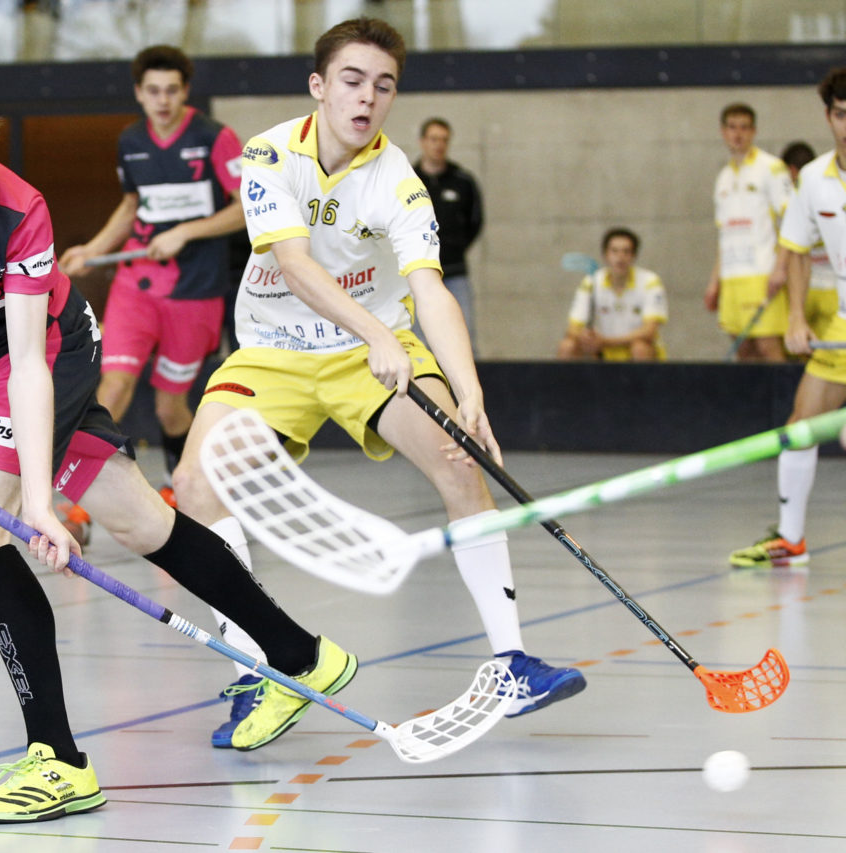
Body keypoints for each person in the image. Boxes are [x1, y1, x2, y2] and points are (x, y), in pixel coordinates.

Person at [0, 69, 355, 825]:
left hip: (49, 351)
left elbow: (30, 362)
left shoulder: (20, 211)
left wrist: (38, 505)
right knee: (139, 520)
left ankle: (58, 760)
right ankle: (299, 653)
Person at [172, 17, 586, 750]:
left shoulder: (400, 179)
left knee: (461, 463)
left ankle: (513, 664)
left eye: (384, 85)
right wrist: (375, 334)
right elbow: (295, 264)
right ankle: (259, 668)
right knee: (195, 487)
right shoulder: (268, 154)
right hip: (273, 351)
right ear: (319, 86)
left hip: (372, 351)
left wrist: (469, 390)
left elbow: (430, 289)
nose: (367, 97)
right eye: (353, 80)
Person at [58, 45, 245, 536]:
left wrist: (187, 231)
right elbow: (131, 206)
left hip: (195, 293)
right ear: (139, 93)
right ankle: (79, 509)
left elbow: (248, 207)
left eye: (172, 91)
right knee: (113, 388)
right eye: (153, 91)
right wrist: (93, 249)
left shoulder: (215, 138)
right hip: (137, 286)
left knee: (169, 406)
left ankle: (179, 485)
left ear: (185, 92)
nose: (163, 101)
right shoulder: (131, 141)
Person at [729, 69, 846, 568]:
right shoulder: (814, 179)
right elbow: (796, 248)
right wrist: (797, 318)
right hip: (843, 321)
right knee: (802, 426)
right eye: (840, 115)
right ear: (828, 116)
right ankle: (791, 540)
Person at [704, 103, 795, 362]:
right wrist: (715, 281)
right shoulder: (723, 177)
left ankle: (785, 392)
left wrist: (781, 268)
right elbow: (724, 235)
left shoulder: (771, 167)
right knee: (744, 352)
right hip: (732, 278)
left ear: (753, 131)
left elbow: (792, 220)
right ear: (723, 131)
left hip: (762, 273)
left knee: (768, 347)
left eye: (744, 128)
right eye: (732, 127)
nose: (738, 134)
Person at [412, 118, 482, 350]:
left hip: (454, 272)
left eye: (444, 140)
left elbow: (475, 222)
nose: (438, 145)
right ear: (423, 142)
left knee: (464, 337)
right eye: (434, 139)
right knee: (418, 340)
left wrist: (453, 248)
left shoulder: (463, 181)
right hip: (418, 272)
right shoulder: (409, 180)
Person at [556, 227, 667, 361]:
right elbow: (573, 328)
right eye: (614, 251)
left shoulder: (650, 281)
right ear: (605, 255)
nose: (620, 257)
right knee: (567, 346)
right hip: (601, 350)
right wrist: (586, 338)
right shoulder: (591, 281)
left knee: (640, 348)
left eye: (626, 252)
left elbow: (649, 331)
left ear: (634, 256)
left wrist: (607, 341)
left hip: (632, 348)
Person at [777, 141, 838, 341]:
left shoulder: (795, 198)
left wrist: (779, 269)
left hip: (811, 289)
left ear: (791, 171)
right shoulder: (824, 190)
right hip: (824, 288)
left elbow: (790, 244)